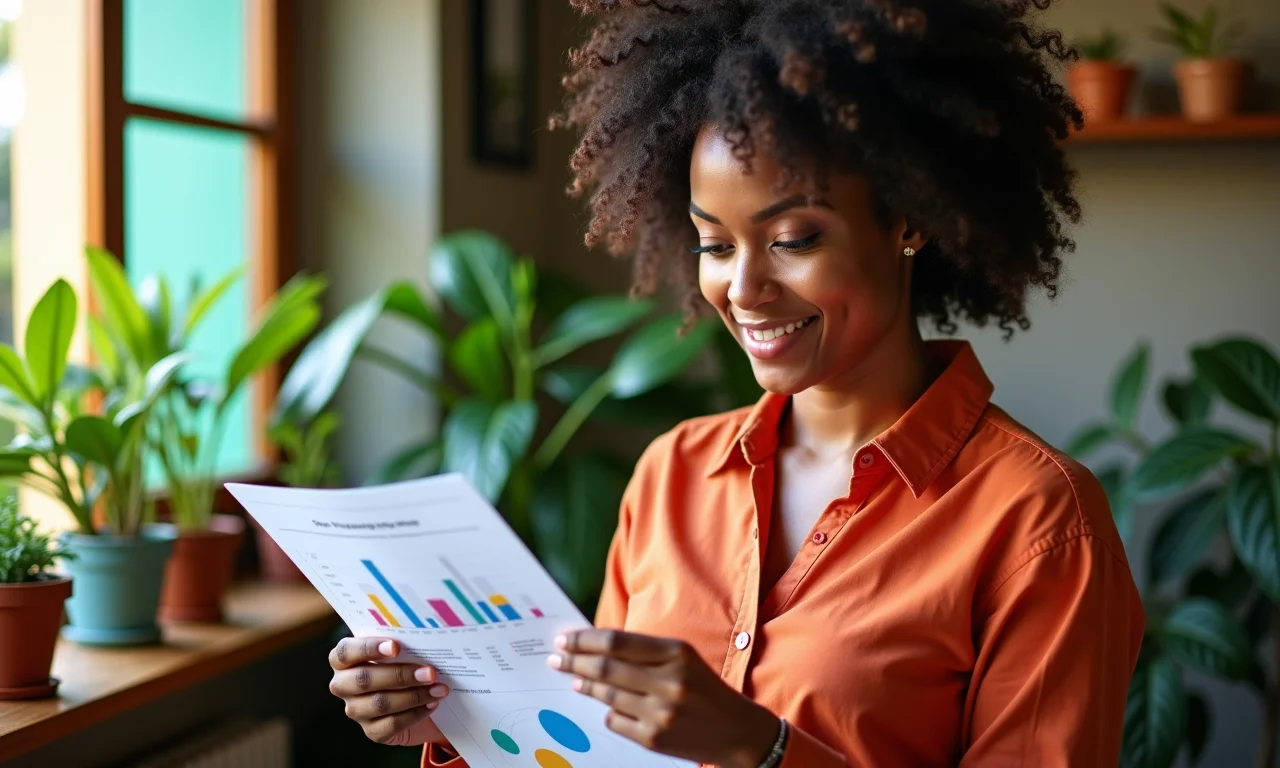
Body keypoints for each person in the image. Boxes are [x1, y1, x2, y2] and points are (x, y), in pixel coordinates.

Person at [327, 1, 1145, 766]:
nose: (744, 289)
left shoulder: (1038, 521)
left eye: (793, 239)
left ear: (909, 219)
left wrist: (762, 748)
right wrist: (458, 722)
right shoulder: (671, 475)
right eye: (714, 245)